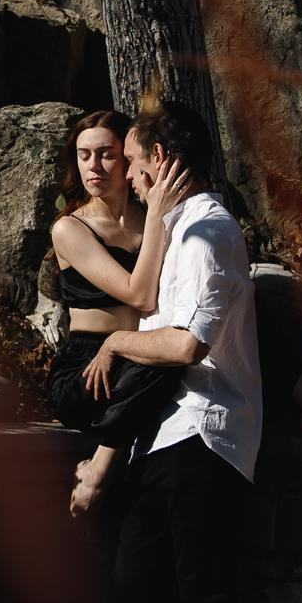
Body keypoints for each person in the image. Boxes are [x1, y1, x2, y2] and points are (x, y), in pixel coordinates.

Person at [68, 101, 265, 603]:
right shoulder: (180, 230)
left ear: (161, 159)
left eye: (131, 159)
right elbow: (152, 307)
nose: (126, 172)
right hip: (167, 434)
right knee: (134, 588)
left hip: (207, 434)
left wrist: (122, 345)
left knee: (200, 597)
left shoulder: (210, 233)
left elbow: (185, 346)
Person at [45, 110, 190, 488]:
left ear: (127, 157)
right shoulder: (70, 228)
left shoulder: (150, 217)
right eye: (83, 155)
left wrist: (155, 213)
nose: (93, 166)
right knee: (169, 355)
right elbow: (140, 296)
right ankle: (102, 462)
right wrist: (158, 213)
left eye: (106, 153)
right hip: (88, 367)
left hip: (136, 352)